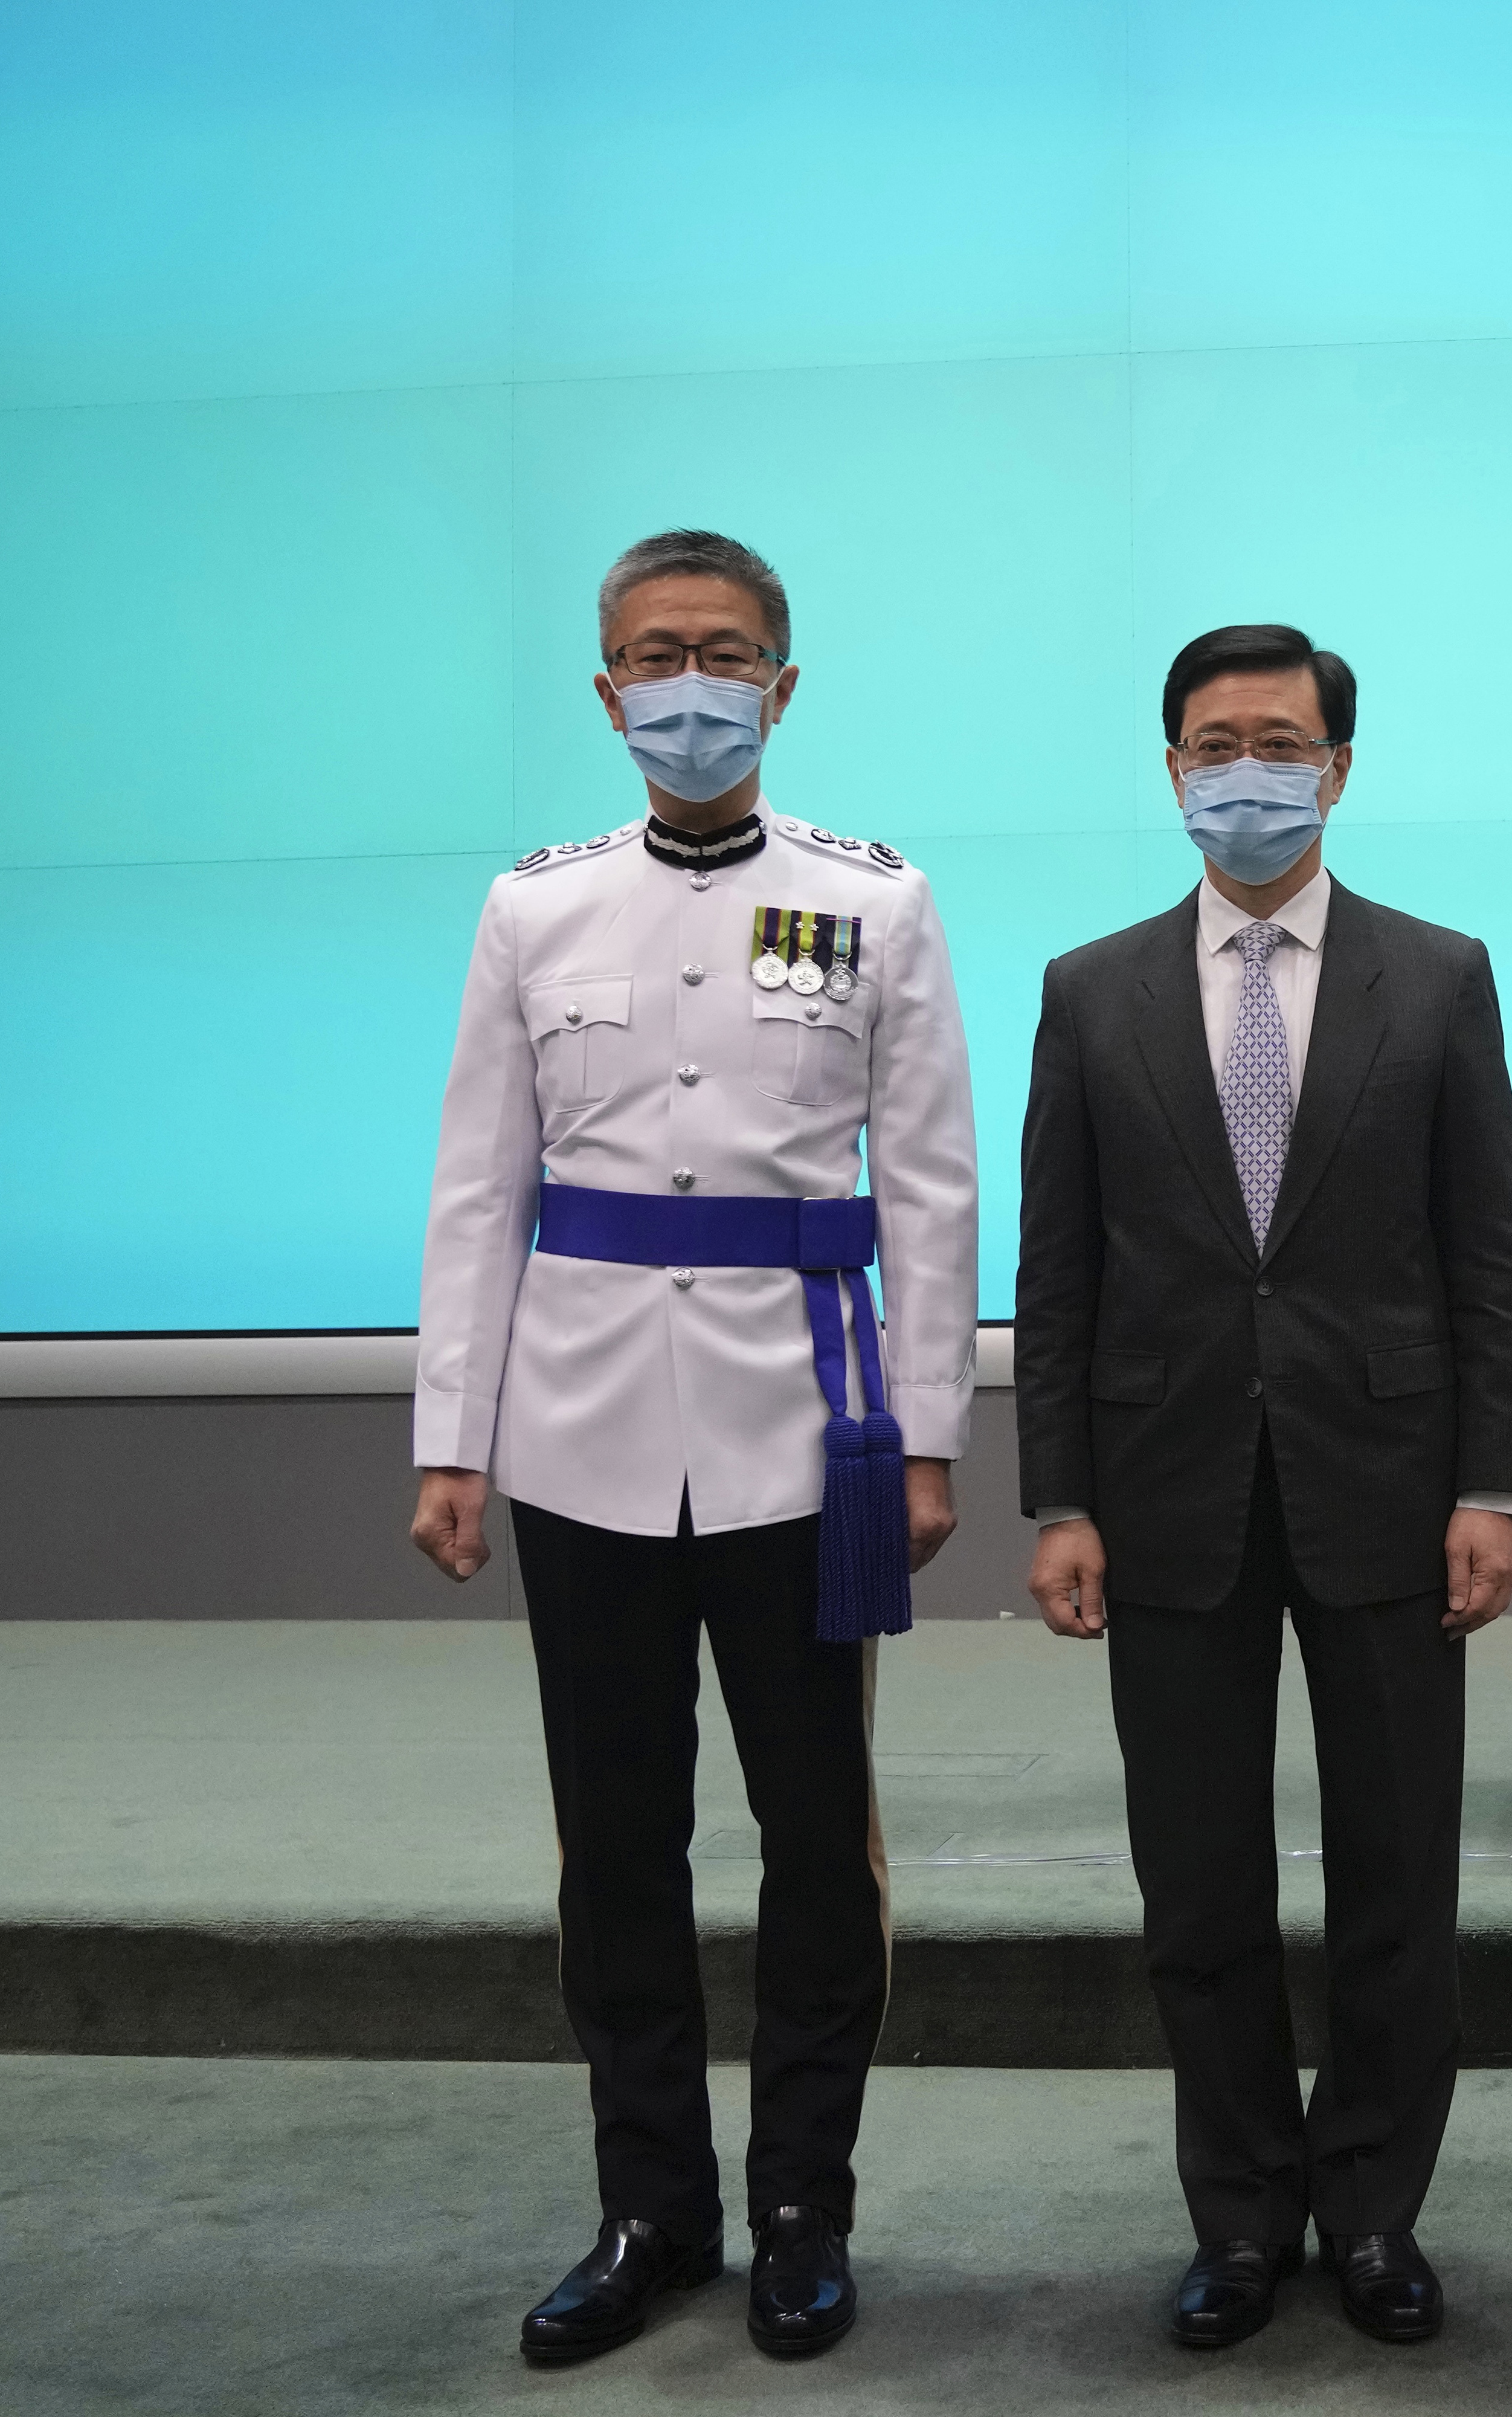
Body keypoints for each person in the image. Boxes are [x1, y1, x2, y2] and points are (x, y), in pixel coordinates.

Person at [410, 529, 979, 2364]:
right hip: (578, 1441)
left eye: (725, 654)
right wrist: (453, 1441)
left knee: (819, 1843)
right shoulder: (534, 910)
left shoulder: (874, 901)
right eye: (656, 654)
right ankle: (652, 2207)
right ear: (604, 688)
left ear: (784, 686)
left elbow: (939, 1187)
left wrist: (932, 1438)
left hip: (805, 1442)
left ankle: (806, 2203)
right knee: (617, 1844)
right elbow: (479, 1191)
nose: (690, 687)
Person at [1013, 624, 1512, 2351]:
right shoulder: (1089, 991)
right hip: (1164, 1492)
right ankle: (1239, 2216)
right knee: (1201, 1887)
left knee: (1400, 1881)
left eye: (1283, 741)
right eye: (1216, 743)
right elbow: (1062, 1268)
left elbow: (1488, 1257)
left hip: (1393, 1486)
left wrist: (1496, 1482)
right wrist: (1058, 1497)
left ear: (1339, 766)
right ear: (1173, 770)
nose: (1249, 771)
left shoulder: (1440, 975)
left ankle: (1376, 2210)